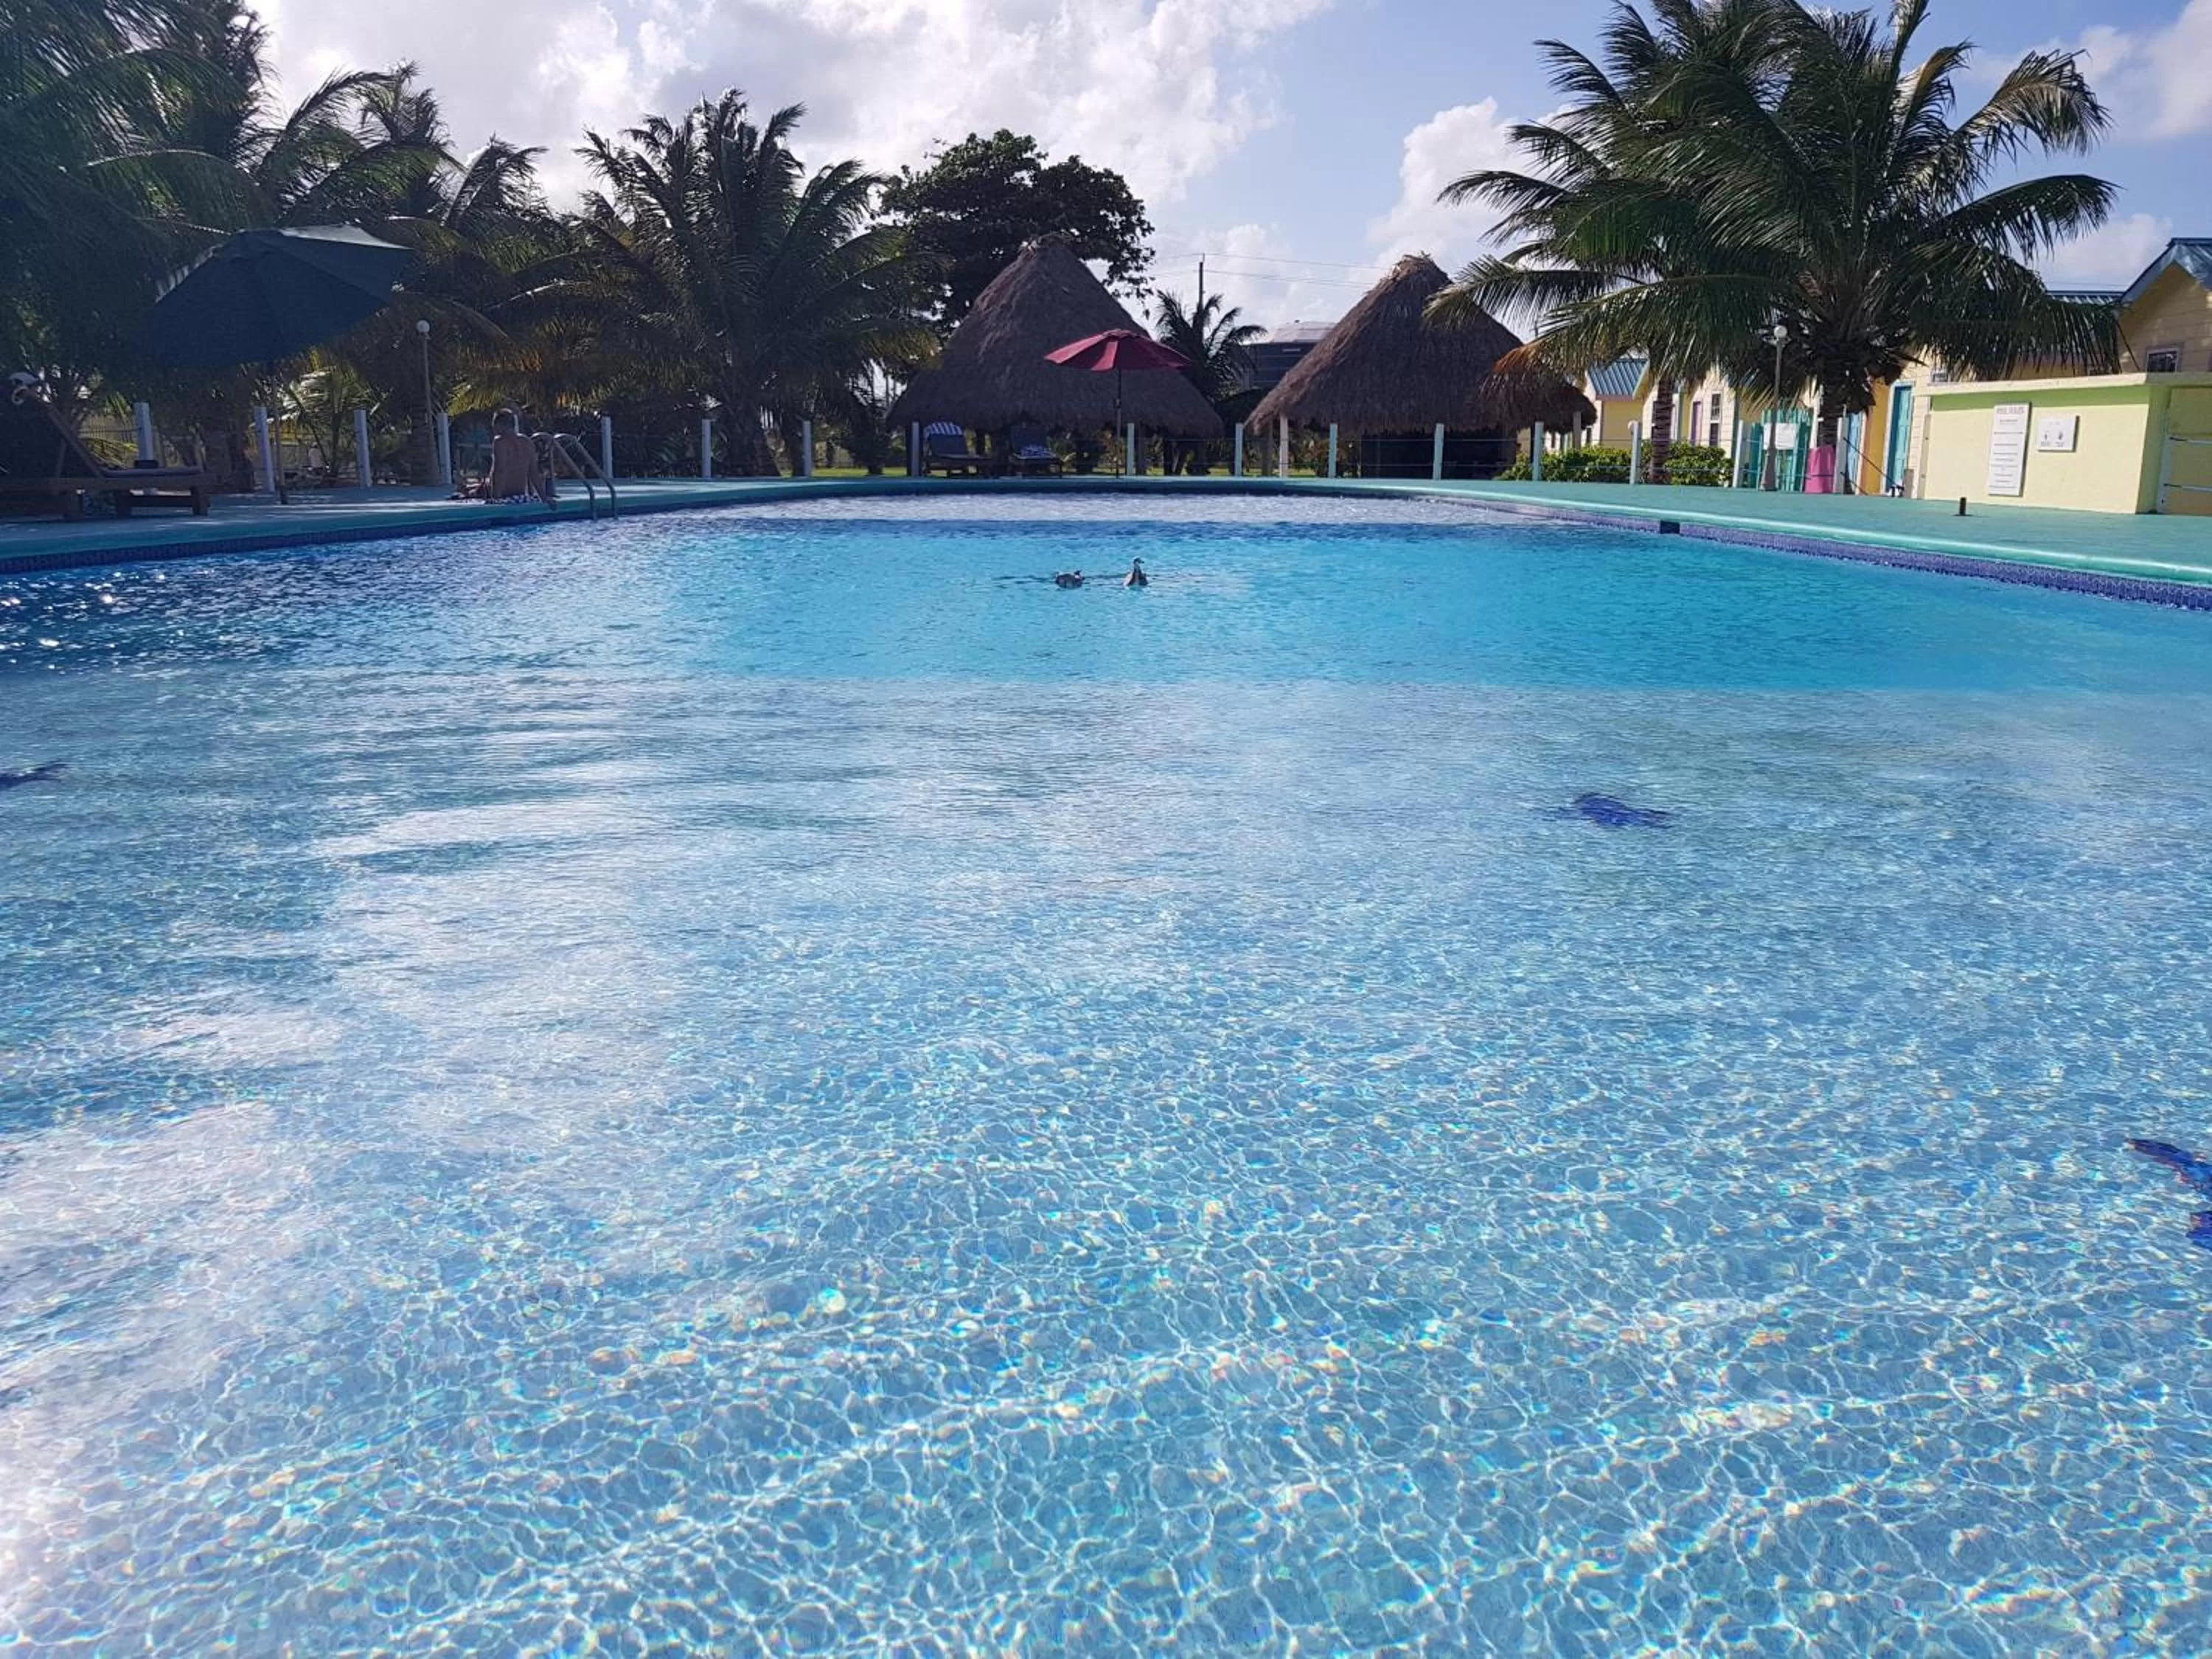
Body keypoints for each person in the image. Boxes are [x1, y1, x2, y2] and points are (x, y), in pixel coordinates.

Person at [484, 408, 551, 504]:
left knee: (471, 493)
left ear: (499, 424)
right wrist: (543, 497)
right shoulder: (527, 442)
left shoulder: (500, 441)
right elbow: (534, 473)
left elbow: (499, 470)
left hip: (505, 497)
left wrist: (495, 499)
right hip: (521, 496)